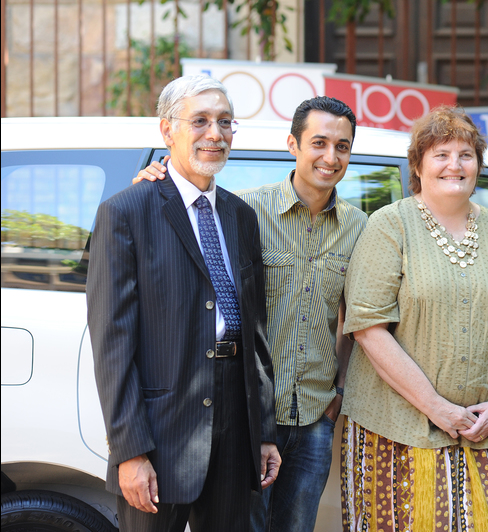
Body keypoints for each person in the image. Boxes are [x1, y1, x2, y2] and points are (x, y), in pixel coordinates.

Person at [135, 96, 367, 532]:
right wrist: (152, 184)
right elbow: (176, 225)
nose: (330, 157)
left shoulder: (360, 228)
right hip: (246, 415)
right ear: (292, 145)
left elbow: (358, 319)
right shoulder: (241, 212)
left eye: (343, 146)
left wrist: (338, 390)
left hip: (315, 418)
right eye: (319, 142)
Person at [87, 75, 280, 532]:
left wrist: (264, 433)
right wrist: (131, 452)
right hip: (160, 432)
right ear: (167, 130)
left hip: (237, 426)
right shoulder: (126, 212)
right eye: (200, 121)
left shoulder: (241, 216)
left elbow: (255, 336)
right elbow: (112, 346)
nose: (215, 133)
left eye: (225, 122)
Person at [340, 106, 488, 531]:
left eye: (466, 155)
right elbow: (368, 328)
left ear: (478, 165)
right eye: (441, 154)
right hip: (398, 435)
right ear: (417, 165)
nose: (455, 165)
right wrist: (438, 409)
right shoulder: (389, 226)